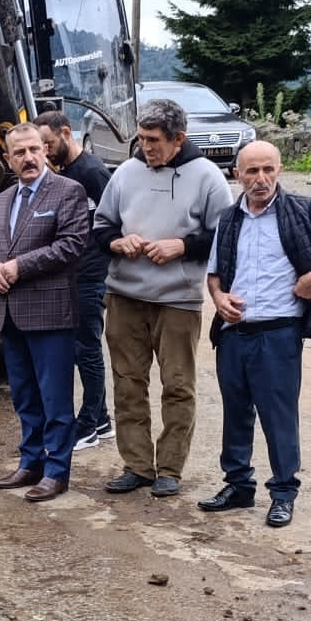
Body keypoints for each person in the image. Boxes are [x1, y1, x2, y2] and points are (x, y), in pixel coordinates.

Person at [191, 140, 311, 528]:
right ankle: (238, 486)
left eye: (268, 169)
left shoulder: (302, 211)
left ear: (280, 170)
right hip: (234, 333)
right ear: (238, 175)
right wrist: (218, 298)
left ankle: (283, 492)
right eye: (251, 171)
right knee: (235, 411)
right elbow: (214, 273)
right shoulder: (229, 218)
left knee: (278, 415)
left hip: (279, 334)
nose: (261, 179)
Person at [93, 98, 234, 498]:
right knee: (127, 382)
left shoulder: (207, 177)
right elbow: (100, 227)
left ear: (179, 139)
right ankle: (136, 465)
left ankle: (170, 468)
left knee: (177, 385)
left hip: (178, 300)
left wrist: (182, 247)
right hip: (124, 295)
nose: (145, 148)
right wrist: (119, 242)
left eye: (153, 140)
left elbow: (225, 236)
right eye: (141, 138)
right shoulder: (126, 172)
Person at [0, 122, 92, 502]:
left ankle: (57, 470)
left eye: (34, 150)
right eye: (19, 153)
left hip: (50, 313)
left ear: (45, 151)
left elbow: (71, 246)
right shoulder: (3, 200)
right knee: (25, 396)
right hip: (12, 313)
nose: (28, 158)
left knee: (55, 398)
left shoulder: (68, 191)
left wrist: (17, 267)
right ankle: (31, 462)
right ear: (8, 159)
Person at [35, 109, 114, 452]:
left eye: (48, 143)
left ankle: (88, 424)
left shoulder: (93, 172)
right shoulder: (65, 171)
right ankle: (104, 419)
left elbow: (113, 218)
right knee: (81, 349)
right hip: (73, 273)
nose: (46, 151)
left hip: (90, 275)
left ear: (66, 133)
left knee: (88, 349)